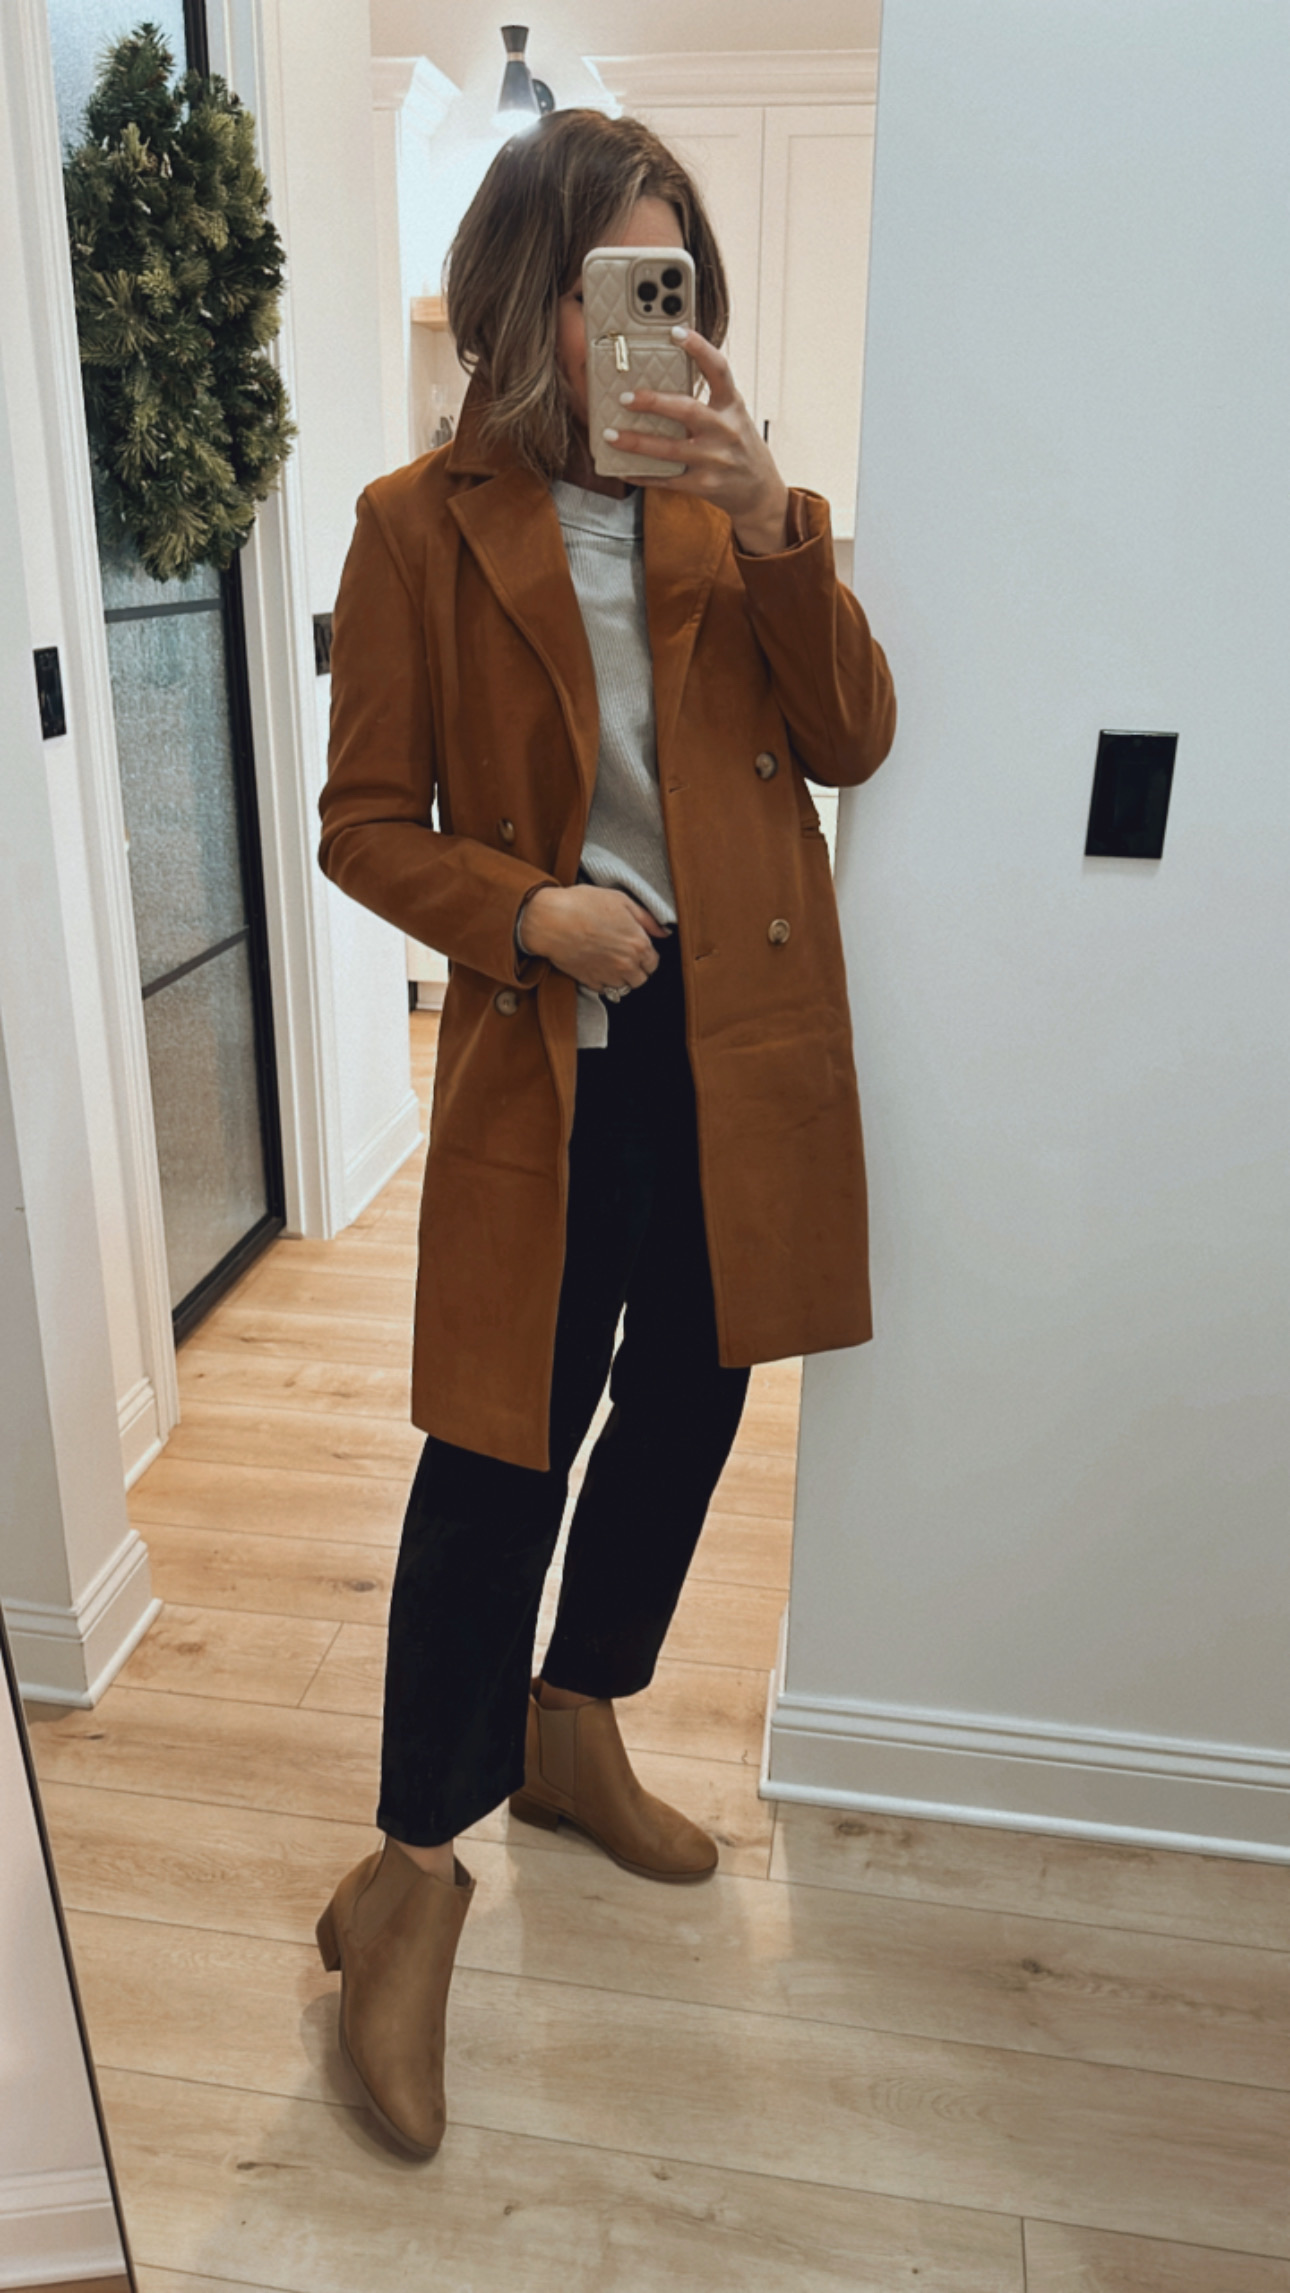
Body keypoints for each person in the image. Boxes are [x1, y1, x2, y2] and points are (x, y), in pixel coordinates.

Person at [314, 108, 896, 2160]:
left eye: (680, 284)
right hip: (553, 1050)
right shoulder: (413, 526)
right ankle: (411, 1871)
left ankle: (577, 1720)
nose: (657, 324)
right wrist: (528, 911)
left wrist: (770, 513)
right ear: (528, 298)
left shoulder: (729, 510)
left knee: (695, 1401)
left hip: (736, 1042)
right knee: (502, 1443)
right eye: (617, 285)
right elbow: (361, 826)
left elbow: (852, 736)